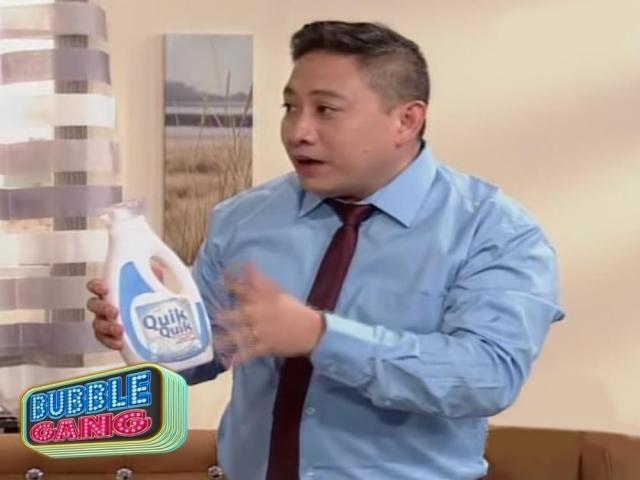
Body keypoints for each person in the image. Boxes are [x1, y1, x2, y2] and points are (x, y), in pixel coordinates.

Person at [87, 20, 565, 480]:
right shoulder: (242, 219)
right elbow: (206, 355)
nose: (299, 131)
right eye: (290, 107)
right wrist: (149, 331)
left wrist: (320, 336)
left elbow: (487, 376)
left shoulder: (493, 230)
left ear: (406, 120)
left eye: (326, 110)